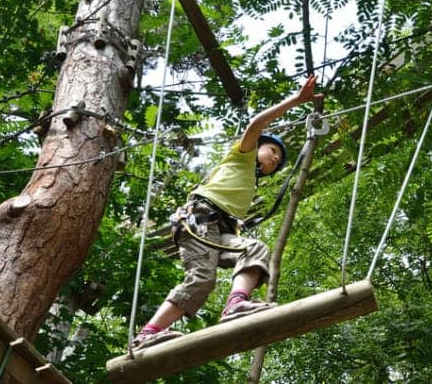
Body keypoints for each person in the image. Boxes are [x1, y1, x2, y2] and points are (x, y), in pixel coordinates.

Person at [132, 75, 322, 350]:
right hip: (199, 219)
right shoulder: (241, 155)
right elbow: (257, 124)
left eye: (278, 160)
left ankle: (236, 304)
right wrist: (296, 100)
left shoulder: (249, 180)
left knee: (254, 249)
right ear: (257, 146)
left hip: (218, 230)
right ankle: (147, 334)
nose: (275, 158)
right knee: (202, 278)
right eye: (272, 150)